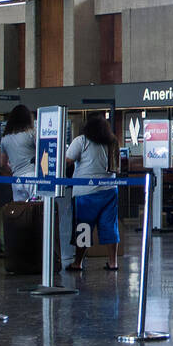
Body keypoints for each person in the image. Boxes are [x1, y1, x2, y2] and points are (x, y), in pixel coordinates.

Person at [66, 115, 120, 270]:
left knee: (83, 227)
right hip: (109, 190)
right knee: (110, 226)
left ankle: (78, 262)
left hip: (85, 192)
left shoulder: (81, 141)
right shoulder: (111, 141)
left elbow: (67, 161)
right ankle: (113, 262)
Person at [0, 105, 36, 203]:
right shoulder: (31, 134)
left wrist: (13, 171)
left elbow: (2, 164)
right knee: (37, 207)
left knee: (20, 210)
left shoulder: (5, 139)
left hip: (16, 179)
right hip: (32, 176)